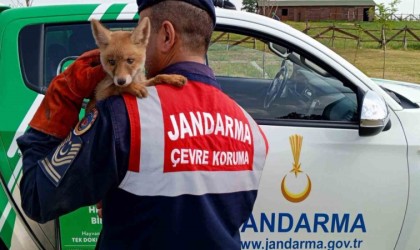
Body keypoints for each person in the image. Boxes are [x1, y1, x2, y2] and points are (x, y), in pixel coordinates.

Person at [17, 0, 269, 249]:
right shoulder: (252, 131)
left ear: (167, 36)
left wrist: (61, 96)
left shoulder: (122, 116)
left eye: (143, 34)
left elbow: (36, 197)